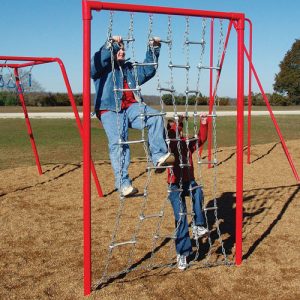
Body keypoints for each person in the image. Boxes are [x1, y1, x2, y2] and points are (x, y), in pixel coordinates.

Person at [91, 35, 174, 197]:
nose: (121, 51)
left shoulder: (129, 69)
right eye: (118, 48)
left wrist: (154, 48)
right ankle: (123, 184)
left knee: (155, 117)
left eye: (123, 49)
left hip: (131, 108)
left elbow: (149, 69)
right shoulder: (102, 68)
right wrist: (111, 45)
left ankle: (158, 156)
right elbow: (95, 63)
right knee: (119, 143)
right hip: (110, 109)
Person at [167, 113, 209, 270]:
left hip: (189, 182)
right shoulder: (169, 144)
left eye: (179, 128)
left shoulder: (186, 143)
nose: (180, 131)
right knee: (181, 218)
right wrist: (179, 121)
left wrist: (203, 123)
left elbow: (201, 139)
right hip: (174, 185)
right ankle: (182, 253)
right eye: (176, 128)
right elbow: (172, 135)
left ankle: (198, 226)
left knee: (197, 190)